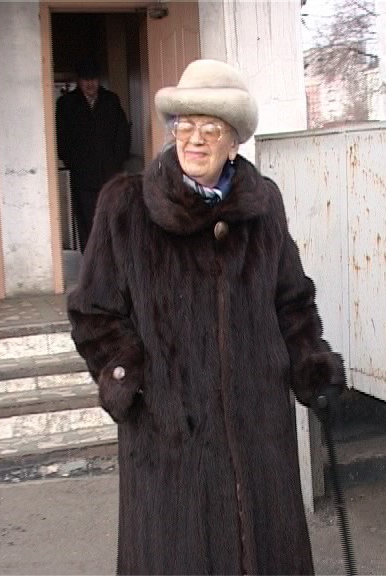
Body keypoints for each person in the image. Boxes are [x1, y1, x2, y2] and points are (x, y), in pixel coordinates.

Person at [67, 59, 346, 575]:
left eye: (211, 128)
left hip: (257, 422)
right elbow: (92, 310)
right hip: (168, 432)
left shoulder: (263, 205)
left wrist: (311, 361)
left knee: (262, 547)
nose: (194, 139)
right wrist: (129, 376)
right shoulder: (126, 205)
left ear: (234, 142)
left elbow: (291, 299)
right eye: (185, 125)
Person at [56, 58, 130, 252]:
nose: (90, 84)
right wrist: (74, 163)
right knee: (87, 222)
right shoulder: (66, 104)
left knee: (113, 219)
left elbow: (123, 133)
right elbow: (62, 139)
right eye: (85, 79)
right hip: (83, 175)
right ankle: (91, 261)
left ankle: (113, 260)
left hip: (110, 173)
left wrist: (117, 160)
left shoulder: (111, 100)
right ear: (78, 81)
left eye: (94, 79)